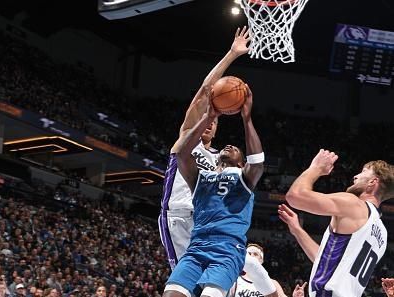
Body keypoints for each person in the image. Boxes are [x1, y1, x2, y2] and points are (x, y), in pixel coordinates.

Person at [158, 26, 251, 269]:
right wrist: (232, 54)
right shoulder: (188, 141)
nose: (210, 123)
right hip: (178, 216)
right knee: (182, 284)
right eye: (209, 118)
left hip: (207, 223)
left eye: (215, 122)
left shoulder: (220, 160)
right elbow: (204, 94)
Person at [163, 84, 268, 297]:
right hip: (197, 247)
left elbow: (257, 163)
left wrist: (246, 119)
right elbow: (182, 154)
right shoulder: (202, 178)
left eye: (236, 149)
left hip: (227, 250)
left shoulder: (244, 178)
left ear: (241, 163)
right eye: (228, 146)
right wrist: (208, 117)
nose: (230, 146)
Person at [280, 149, 394, 297]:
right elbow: (327, 261)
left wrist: (315, 168)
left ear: (372, 182)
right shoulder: (382, 234)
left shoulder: (354, 204)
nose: (355, 176)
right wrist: (297, 230)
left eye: (363, 172)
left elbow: (295, 196)